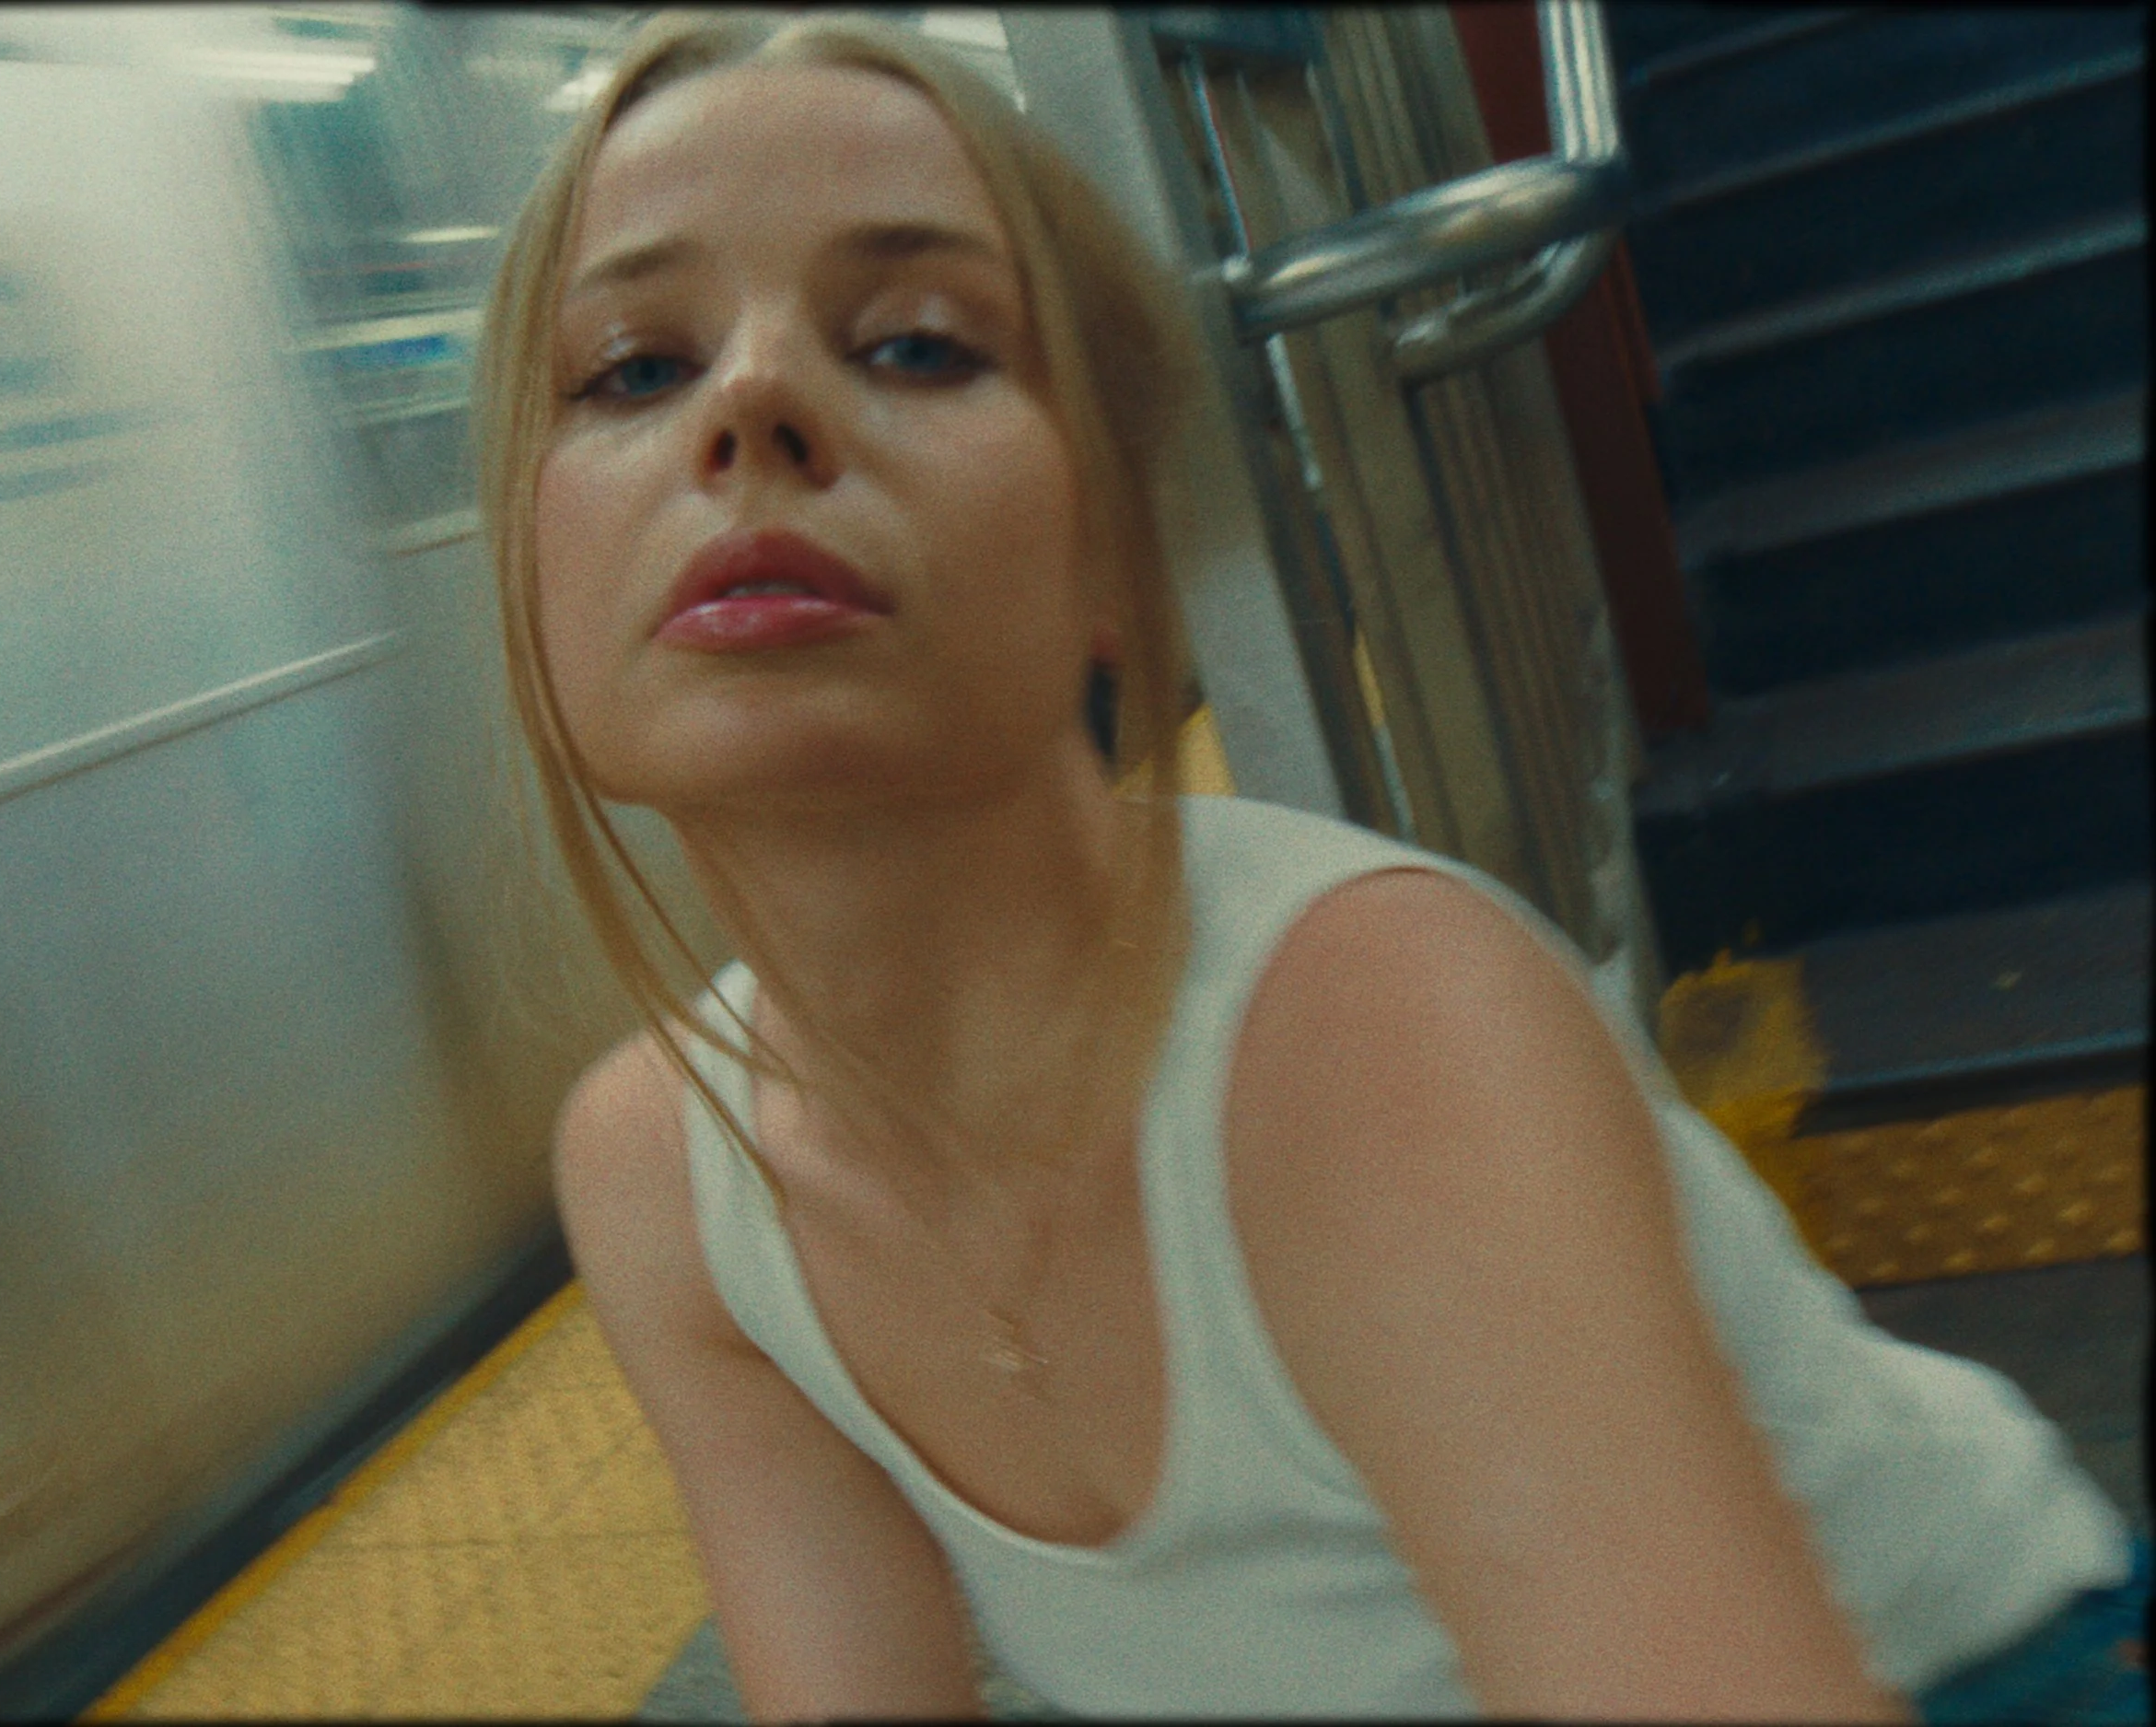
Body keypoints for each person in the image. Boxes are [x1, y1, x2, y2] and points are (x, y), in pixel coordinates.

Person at [477, 9, 2145, 1720]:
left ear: (1116, 551)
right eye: (631, 370)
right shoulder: (657, 1176)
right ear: (531, 578)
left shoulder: (1361, 1035)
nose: (752, 399)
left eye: (915, 344)